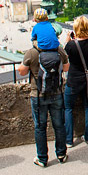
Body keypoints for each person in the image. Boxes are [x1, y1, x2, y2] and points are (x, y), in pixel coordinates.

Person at [18, 34, 69, 167]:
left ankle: (42, 158)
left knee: (40, 127)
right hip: (57, 93)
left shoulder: (32, 52)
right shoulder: (59, 50)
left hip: (38, 94)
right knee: (59, 125)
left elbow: (22, 72)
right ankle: (61, 154)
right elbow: (66, 67)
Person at [64, 15, 88, 146]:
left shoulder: (70, 45)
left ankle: (69, 140)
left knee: (68, 107)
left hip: (74, 79)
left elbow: (66, 57)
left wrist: (68, 40)